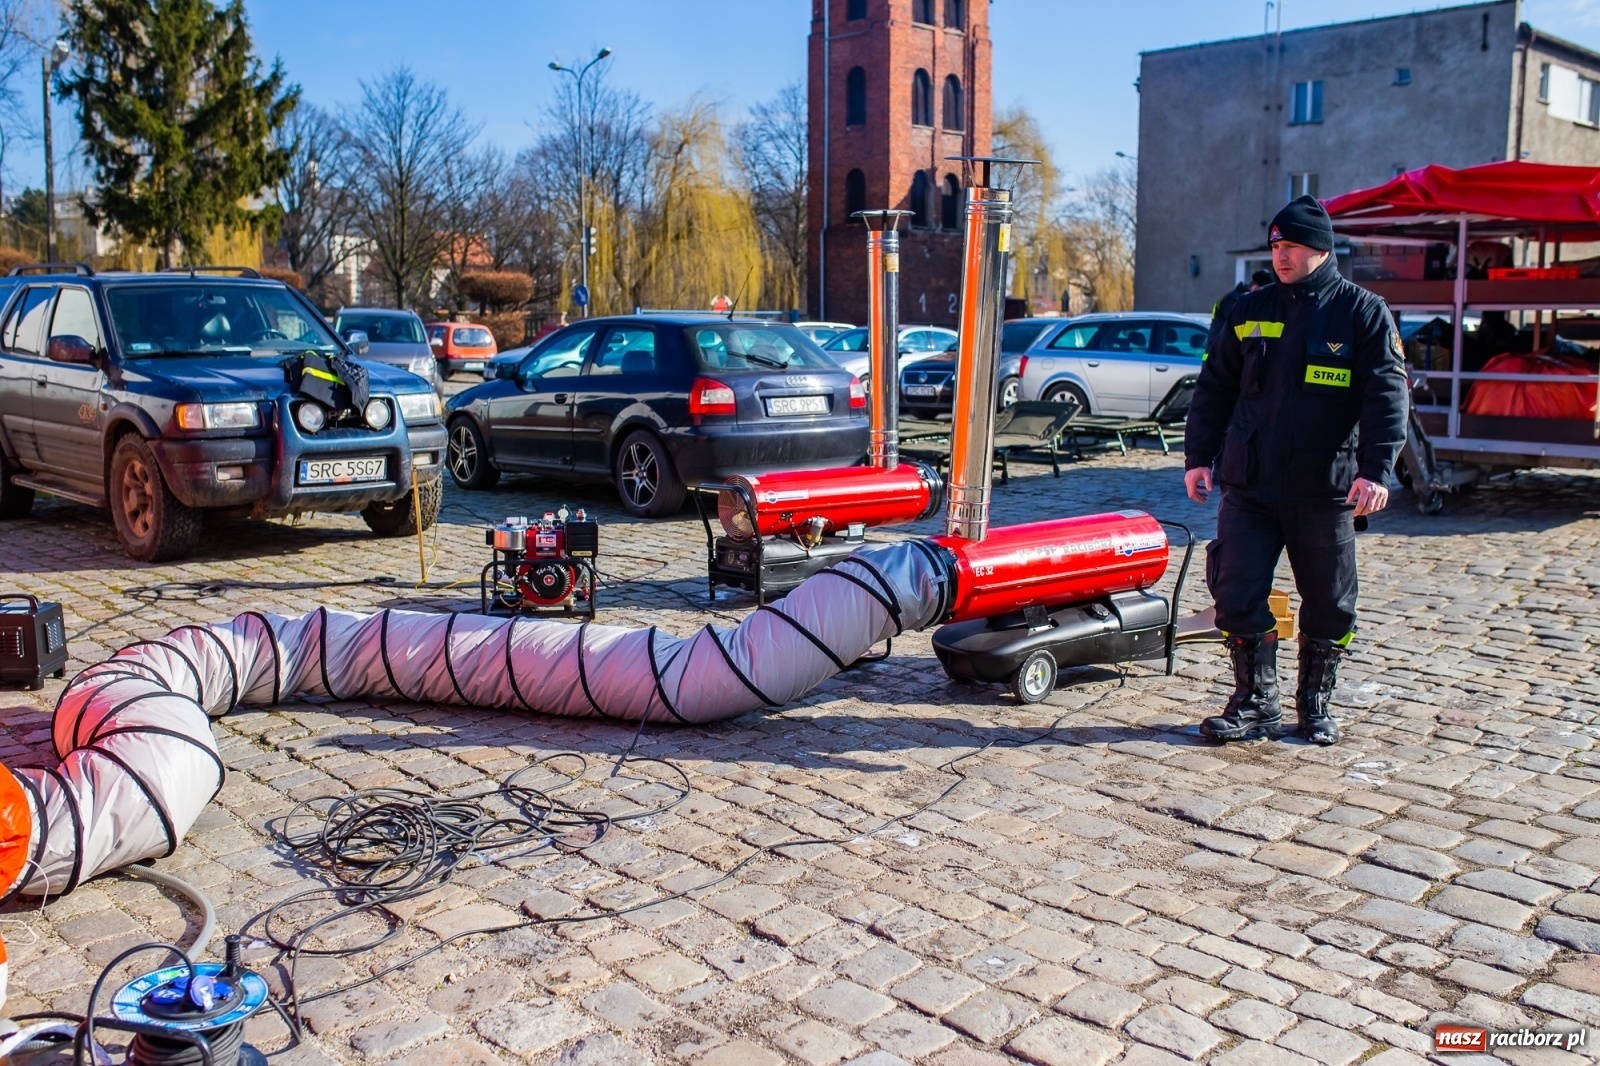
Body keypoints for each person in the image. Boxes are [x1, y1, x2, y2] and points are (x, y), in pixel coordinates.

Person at [1183, 195, 1408, 745]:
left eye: (1293, 245)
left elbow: (1387, 394)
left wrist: (1377, 469)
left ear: (1322, 248)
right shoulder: (1247, 309)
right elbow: (1214, 389)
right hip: (1250, 483)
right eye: (1276, 245)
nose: (1281, 255)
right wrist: (1198, 457)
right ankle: (1256, 702)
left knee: (1330, 602)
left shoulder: (1362, 313)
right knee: (1235, 592)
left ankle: (1314, 703)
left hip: (1323, 487)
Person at [1206, 269, 1277, 356]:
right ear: (1255, 287)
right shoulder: (1234, 301)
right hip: (1219, 357)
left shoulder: (1238, 300)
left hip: (1223, 356)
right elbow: (1244, 327)